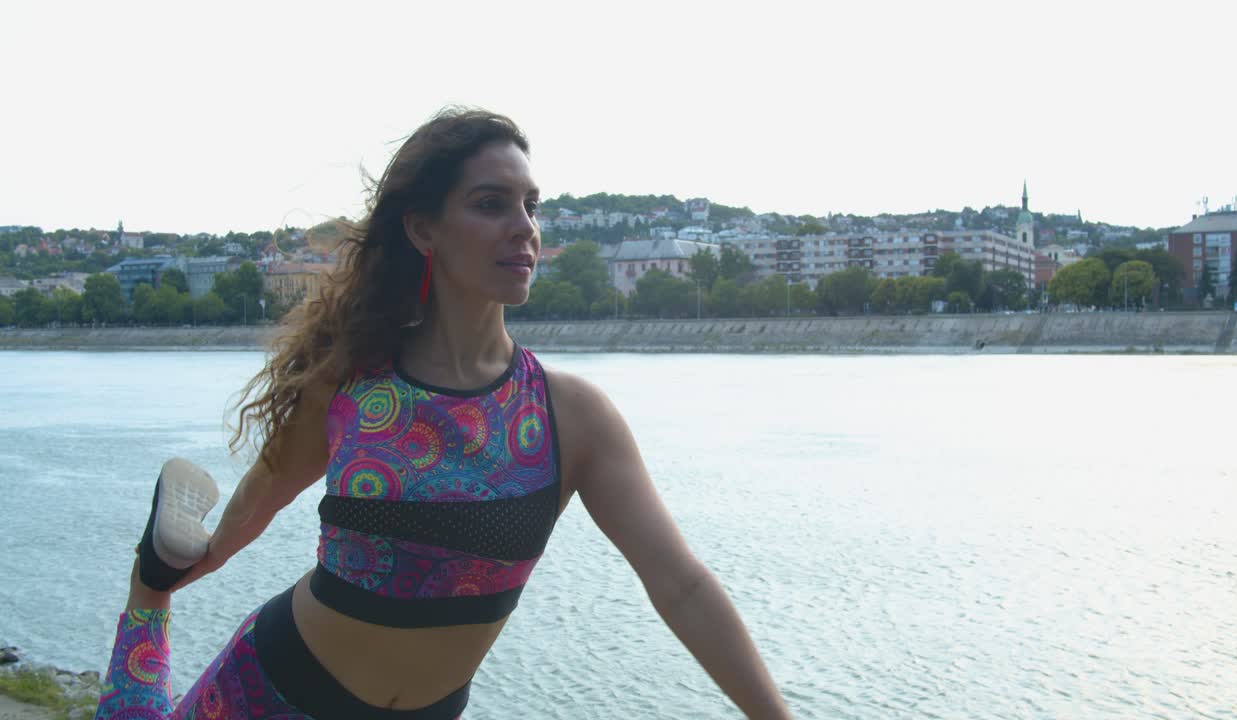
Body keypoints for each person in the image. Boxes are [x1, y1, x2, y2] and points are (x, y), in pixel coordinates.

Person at [93, 107, 793, 720]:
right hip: (273, 688)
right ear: (424, 229)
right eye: (492, 204)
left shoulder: (572, 415)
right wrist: (191, 565)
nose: (524, 229)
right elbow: (265, 495)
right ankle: (147, 590)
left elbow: (681, 583)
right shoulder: (350, 381)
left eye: (532, 206)